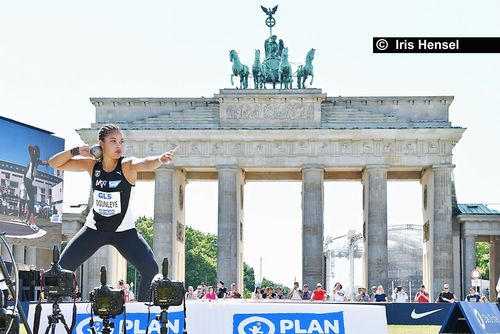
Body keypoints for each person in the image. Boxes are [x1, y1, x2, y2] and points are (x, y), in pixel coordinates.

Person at [48, 124, 176, 302]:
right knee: (61, 268)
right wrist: (77, 150)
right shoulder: (92, 164)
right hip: (94, 230)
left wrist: (160, 159)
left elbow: (145, 163)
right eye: (113, 141)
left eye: (121, 142)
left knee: (151, 269)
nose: (118, 146)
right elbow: (54, 163)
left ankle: (142, 311)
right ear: (101, 144)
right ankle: (55, 311)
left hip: (124, 233)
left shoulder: (126, 165)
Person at [24, 144, 49, 230]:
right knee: (32, 201)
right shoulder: (32, 157)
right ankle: (33, 223)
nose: (38, 154)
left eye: (39, 152)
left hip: (29, 181)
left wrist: (49, 162)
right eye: (37, 152)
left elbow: (45, 162)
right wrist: (34, 149)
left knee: (30, 202)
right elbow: (29, 147)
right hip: (27, 179)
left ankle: (27, 220)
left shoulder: (37, 161)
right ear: (35, 152)